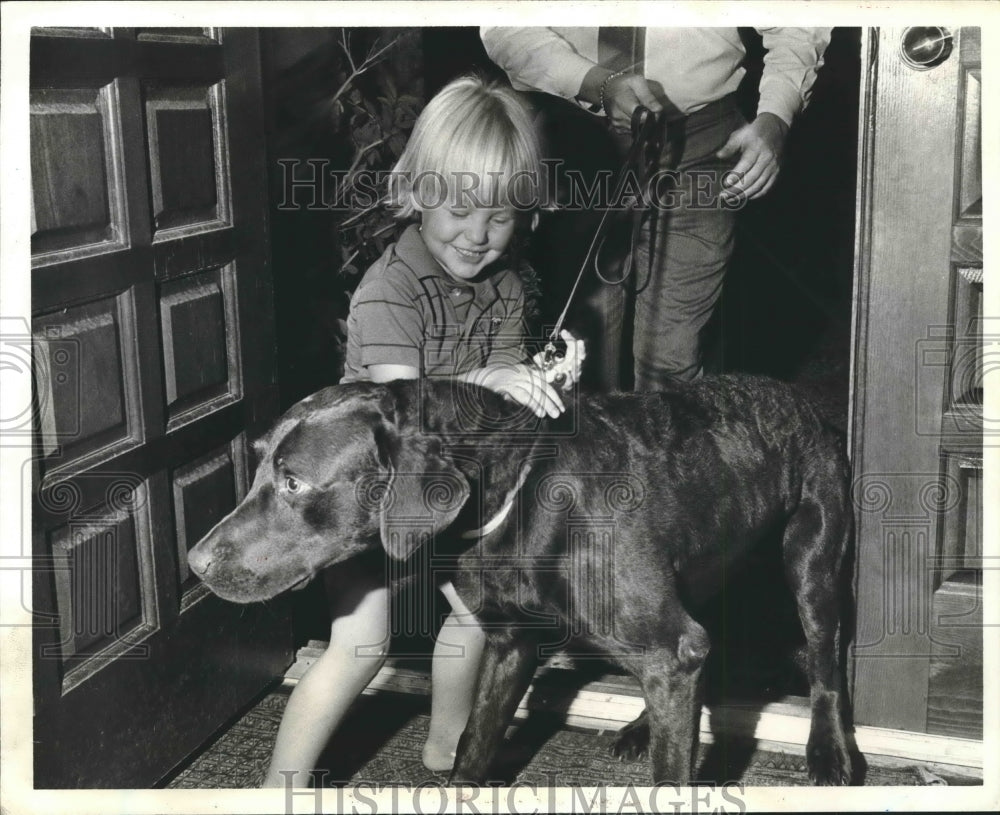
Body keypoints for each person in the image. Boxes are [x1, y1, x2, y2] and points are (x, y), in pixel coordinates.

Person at [263, 75, 584, 787]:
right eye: (462, 209)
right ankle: (279, 785)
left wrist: (540, 384)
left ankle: (446, 746)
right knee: (363, 638)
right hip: (363, 493)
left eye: (499, 216)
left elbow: (500, 389)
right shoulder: (390, 288)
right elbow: (401, 409)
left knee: (481, 611)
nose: (478, 235)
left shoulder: (506, 283)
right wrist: (489, 384)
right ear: (418, 189)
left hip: (442, 491)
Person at [481, 27, 831, 388]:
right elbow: (503, 22)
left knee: (671, 365)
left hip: (702, 144)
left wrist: (776, 115)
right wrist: (596, 83)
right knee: (579, 363)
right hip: (575, 142)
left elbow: (797, 20)